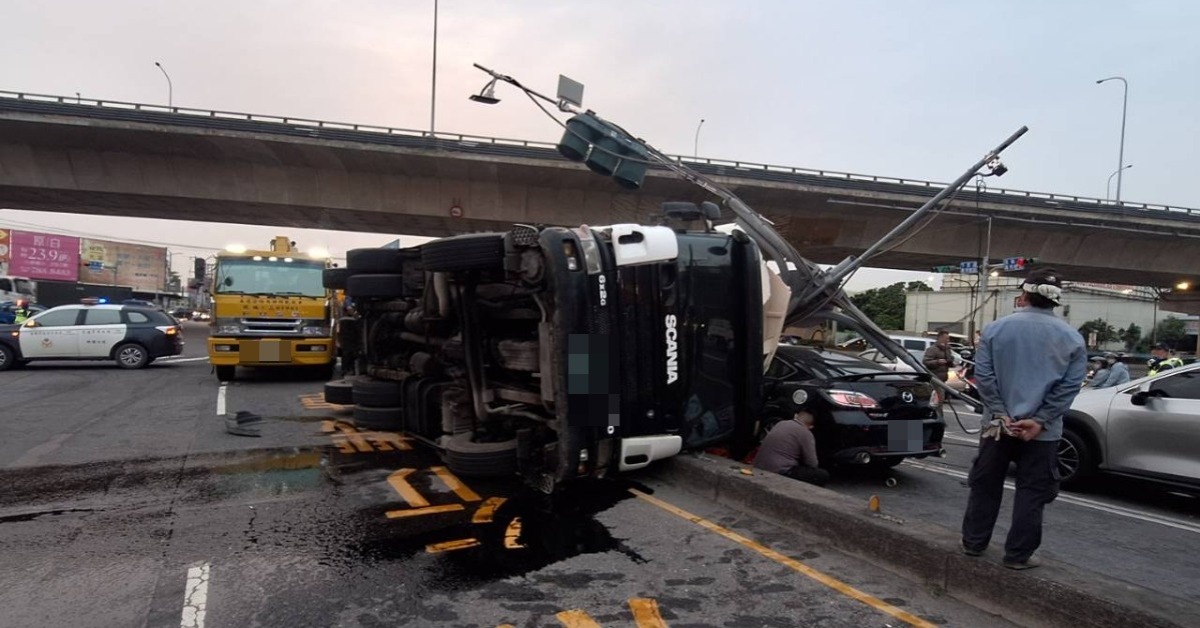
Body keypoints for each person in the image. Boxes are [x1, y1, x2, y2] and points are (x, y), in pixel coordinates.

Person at [961, 268, 1087, 570]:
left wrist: (1002, 413)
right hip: (1042, 434)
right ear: (1056, 302)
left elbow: (985, 378)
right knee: (1032, 493)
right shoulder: (1073, 338)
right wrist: (1040, 420)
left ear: (1024, 295)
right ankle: (1017, 556)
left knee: (986, 485)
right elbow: (1069, 387)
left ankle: (974, 544)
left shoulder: (995, 330)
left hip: (997, 427)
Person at [754, 410, 831, 487]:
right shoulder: (806, 433)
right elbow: (812, 463)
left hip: (759, 465)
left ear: (795, 416)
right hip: (780, 470)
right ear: (811, 427)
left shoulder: (781, 423)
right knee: (822, 475)